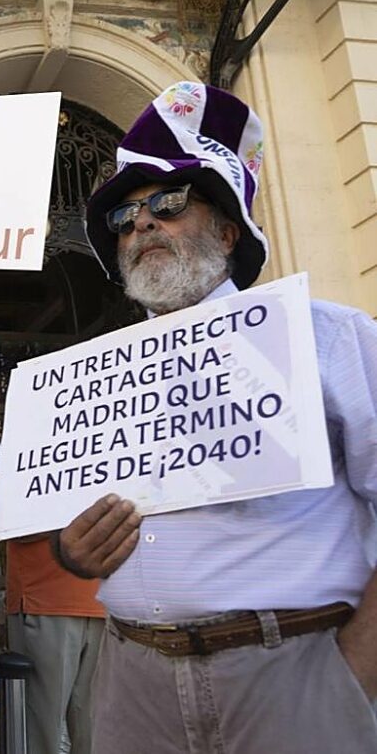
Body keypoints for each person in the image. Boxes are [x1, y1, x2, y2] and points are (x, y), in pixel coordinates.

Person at [55, 82, 377, 753]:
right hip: (131, 682)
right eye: (126, 216)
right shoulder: (93, 378)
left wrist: (355, 668)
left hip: (294, 671)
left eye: (169, 203)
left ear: (228, 231)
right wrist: (72, 551)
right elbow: (74, 524)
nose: (141, 223)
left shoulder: (328, 337)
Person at [4, 537, 104, 754]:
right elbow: (9, 521)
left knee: (98, 735)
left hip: (104, 601)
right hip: (44, 598)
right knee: (40, 734)